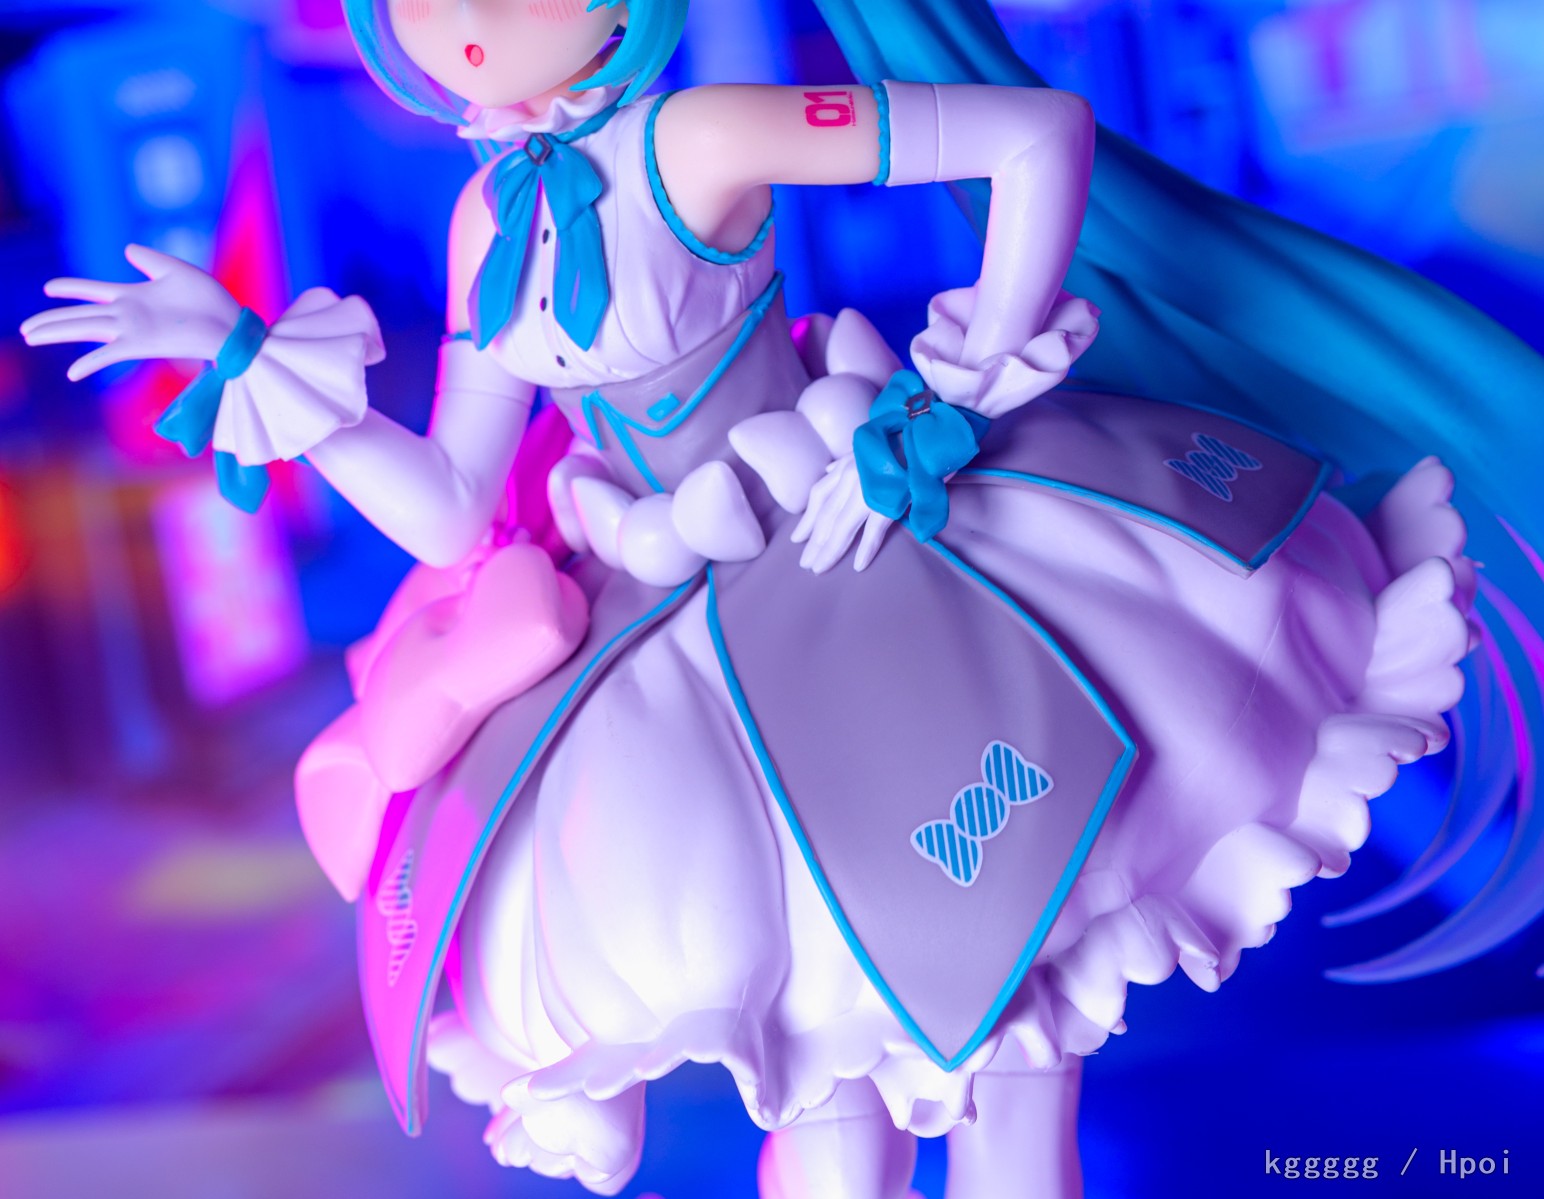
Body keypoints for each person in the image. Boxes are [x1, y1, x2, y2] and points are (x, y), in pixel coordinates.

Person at [20, 2, 1544, 1196]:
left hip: (845, 544)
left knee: (1005, 1027)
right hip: (654, 612)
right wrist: (266, 379)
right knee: (814, 1078)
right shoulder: (488, 216)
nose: (464, 19)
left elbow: (1033, 134)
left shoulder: (699, 134)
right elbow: (452, 506)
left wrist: (959, 381)